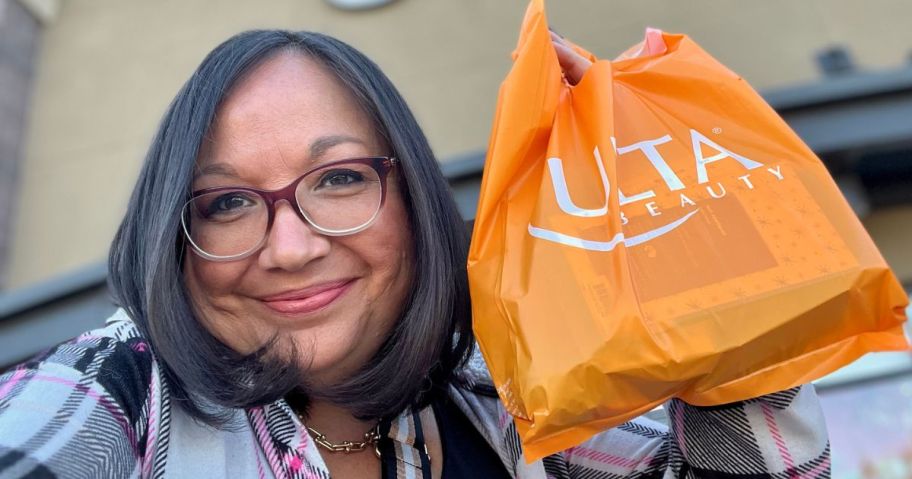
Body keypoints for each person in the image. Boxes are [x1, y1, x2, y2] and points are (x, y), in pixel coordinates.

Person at [0, 29, 829, 479]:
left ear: (415, 197)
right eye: (224, 202)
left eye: (339, 179)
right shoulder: (113, 395)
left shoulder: (499, 400)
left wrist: (688, 238)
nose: (289, 248)